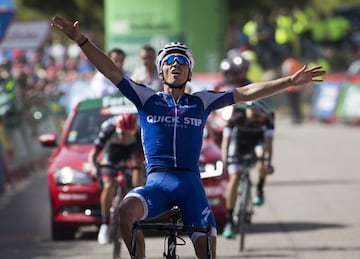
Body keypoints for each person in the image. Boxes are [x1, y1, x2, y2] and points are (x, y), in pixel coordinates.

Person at [51, 16, 325, 259]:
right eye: (169, 61)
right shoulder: (147, 99)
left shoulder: (201, 101)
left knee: (207, 252)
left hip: (191, 186)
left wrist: (289, 82)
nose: (175, 65)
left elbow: (247, 92)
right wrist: (82, 41)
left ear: (189, 72)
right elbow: (111, 71)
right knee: (125, 210)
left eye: (182, 61)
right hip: (157, 184)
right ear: (160, 71)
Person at [221, 98, 275, 239]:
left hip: (256, 144)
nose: (260, 119)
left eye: (262, 116)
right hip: (238, 145)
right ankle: (229, 221)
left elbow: (269, 145)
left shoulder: (268, 120)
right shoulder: (237, 115)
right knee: (235, 177)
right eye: (258, 115)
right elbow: (226, 141)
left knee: (262, 156)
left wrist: (268, 162)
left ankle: (259, 189)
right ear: (251, 110)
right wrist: (224, 161)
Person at [88, 113, 145, 245]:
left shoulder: (138, 131)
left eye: (129, 134)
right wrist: (93, 168)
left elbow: (145, 155)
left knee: (138, 166)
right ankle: (105, 223)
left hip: (132, 151)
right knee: (109, 185)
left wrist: (141, 171)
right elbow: (93, 154)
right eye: (122, 134)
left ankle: (137, 200)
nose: (125, 138)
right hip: (112, 152)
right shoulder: (108, 128)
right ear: (117, 129)